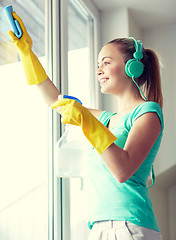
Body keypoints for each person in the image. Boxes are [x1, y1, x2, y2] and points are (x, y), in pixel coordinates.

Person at [9, 12, 164, 240]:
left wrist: (87, 121)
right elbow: (55, 101)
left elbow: (122, 170)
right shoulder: (105, 120)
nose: (99, 70)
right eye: (98, 64)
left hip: (130, 225)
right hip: (98, 227)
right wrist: (26, 53)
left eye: (107, 63)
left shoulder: (148, 112)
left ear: (132, 67)